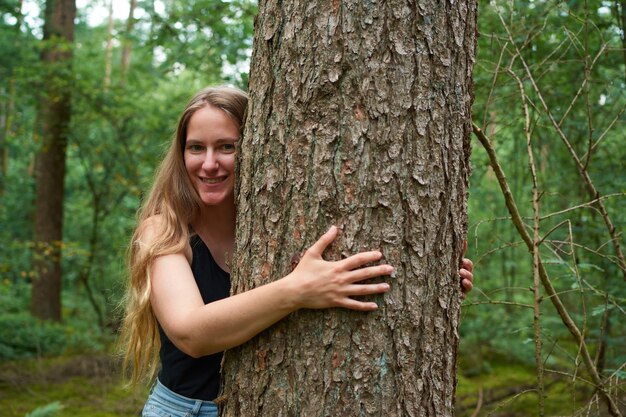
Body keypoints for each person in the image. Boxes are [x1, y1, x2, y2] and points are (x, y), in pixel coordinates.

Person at [118, 85, 474, 417]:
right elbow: (190, 333)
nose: (209, 163)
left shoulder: (278, 221)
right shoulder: (163, 230)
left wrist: (430, 276)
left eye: (227, 146)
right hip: (186, 410)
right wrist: (298, 290)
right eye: (196, 147)